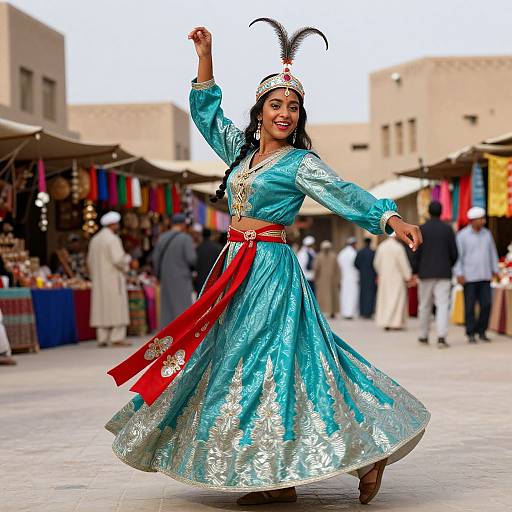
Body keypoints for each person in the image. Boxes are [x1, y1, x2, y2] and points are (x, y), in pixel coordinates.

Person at [106, 22, 428, 507]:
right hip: (233, 269)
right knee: (237, 362)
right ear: (259, 113)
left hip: (270, 272)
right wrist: (205, 58)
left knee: (270, 363)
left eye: (292, 106)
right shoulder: (240, 153)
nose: (284, 113)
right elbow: (208, 115)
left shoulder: (300, 163)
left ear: (299, 116)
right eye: (275, 105)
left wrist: (389, 218)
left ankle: (362, 455)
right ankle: (277, 480)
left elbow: (344, 194)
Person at [412, 201, 458, 348]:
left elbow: (415, 252)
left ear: (429, 212)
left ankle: (423, 336)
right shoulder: (448, 229)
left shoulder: (422, 229)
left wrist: (415, 270)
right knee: (443, 305)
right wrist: (448, 265)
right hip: (444, 273)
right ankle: (441, 337)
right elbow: (454, 253)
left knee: (424, 305)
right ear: (441, 212)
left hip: (425, 273)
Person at [454, 206, 499, 343]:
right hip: (469, 277)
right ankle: (470, 333)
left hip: (485, 276)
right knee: (469, 307)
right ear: (473, 221)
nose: (483, 221)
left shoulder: (487, 234)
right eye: (481, 219)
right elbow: (458, 257)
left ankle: (482, 331)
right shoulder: (462, 236)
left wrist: (495, 269)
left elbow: (492, 252)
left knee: (486, 304)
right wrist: (459, 273)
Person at [87, 211, 131, 348]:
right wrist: (127, 261)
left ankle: (102, 337)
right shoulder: (113, 239)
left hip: (99, 279)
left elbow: (89, 261)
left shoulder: (95, 239)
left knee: (102, 308)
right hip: (113, 278)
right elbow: (118, 259)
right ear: (113, 224)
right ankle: (117, 337)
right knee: (116, 307)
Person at [152, 213, 197, 327]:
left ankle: (166, 335)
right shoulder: (185, 238)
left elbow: (155, 259)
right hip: (181, 277)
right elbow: (191, 259)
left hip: (166, 277)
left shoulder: (162, 238)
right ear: (183, 225)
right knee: (182, 306)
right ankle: (181, 332)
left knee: (167, 308)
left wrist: (158, 276)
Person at [374, 234, 413, 330]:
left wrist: (380, 272)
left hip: (385, 278)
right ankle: (395, 323)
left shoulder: (381, 247)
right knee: (397, 300)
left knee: (386, 300)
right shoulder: (398, 248)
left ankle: (386, 322)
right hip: (397, 278)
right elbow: (403, 263)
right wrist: (408, 276)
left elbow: (376, 263)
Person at [314, 240, 340, 318]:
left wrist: (316, 278)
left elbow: (316, 269)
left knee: (329, 296)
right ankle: (329, 312)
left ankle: (329, 312)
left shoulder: (319, 256)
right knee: (329, 296)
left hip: (326, 280)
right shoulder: (333, 256)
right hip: (326, 280)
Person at [194, 227, 223, 294]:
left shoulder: (198, 248)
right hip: (213, 280)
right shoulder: (218, 248)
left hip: (200, 280)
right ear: (210, 235)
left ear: (202, 235)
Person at [337, 236, 359, 319]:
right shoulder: (353, 253)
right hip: (353, 276)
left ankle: (345, 312)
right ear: (353, 244)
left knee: (344, 295)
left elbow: (339, 265)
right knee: (352, 295)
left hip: (344, 277)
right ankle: (350, 313)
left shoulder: (342, 253)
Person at [354, 237, 377, 318]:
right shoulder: (373, 252)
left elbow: (356, 263)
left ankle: (363, 312)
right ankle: (369, 312)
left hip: (363, 276)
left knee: (363, 293)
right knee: (370, 294)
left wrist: (362, 270)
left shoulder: (360, 252)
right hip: (371, 276)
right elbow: (376, 264)